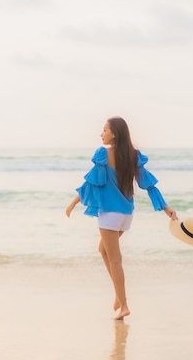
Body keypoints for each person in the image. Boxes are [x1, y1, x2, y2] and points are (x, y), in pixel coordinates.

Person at [66, 116, 177, 320]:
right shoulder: (133, 155)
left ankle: (124, 304)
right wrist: (166, 208)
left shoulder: (103, 154)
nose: (101, 133)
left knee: (115, 260)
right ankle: (119, 296)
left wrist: (74, 202)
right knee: (103, 250)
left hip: (109, 214)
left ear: (114, 133)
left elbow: (91, 184)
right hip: (126, 214)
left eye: (105, 129)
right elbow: (148, 184)